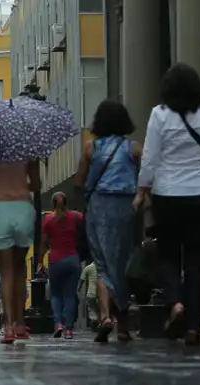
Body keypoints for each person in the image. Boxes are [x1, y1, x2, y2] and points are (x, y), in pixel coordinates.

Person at [136, 62, 200, 346]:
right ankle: (192, 326)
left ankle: (175, 302)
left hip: (167, 195)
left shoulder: (159, 115)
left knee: (167, 255)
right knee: (196, 262)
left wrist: (142, 189)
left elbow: (150, 157)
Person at [75, 99, 142, 342]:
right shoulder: (133, 149)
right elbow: (147, 177)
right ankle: (123, 325)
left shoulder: (90, 148)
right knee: (121, 262)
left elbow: (78, 182)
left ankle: (105, 316)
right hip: (125, 207)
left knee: (102, 263)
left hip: (99, 207)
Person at [0, 159, 42, 344]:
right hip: (23, 209)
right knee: (20, 268)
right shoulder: (27, 152)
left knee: (6, 272)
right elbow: (37, 185)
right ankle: (20, 323)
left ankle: (8, 327)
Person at [40, 192, 83, 339]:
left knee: (56, 294)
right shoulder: (76, 216)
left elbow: (44, 242)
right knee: (70, 295)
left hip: (55, 259)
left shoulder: (48, 219)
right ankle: (69, 329)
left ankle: (58, 323)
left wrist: (40, 261)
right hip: (72, 259)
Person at [79, 259, 99, 329]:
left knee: (92, 309)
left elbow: (82, 279)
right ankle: (99, 322)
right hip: (100, 293)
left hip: (91, 293)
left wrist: (78, 288)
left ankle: (94, 320)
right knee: (99, 308)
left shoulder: (88, 267)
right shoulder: (102, 268)